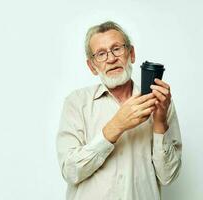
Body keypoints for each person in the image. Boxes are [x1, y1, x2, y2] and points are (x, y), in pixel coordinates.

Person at [56, 21, 182, 200]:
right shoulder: (76, 103)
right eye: (101, 54)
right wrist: (116, 126)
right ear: (92, 66)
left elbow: (168, 177)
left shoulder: (160, 102)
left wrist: (160, 123)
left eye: (117, 49)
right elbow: (70, 171)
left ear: (131, 54)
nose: (111, 58)